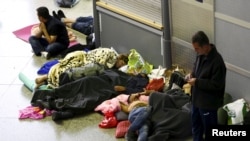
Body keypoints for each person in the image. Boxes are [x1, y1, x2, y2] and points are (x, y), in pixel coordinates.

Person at [186, 31, 226, 141]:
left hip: (208, 104)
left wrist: (197, 82)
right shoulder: (200, 55)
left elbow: (217, 84)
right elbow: (196, 68)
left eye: (197, 48)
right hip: (196, 101)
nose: (195, 51)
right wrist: (192, 75)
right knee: (196, 128)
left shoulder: (217, 62)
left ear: (205, 46)